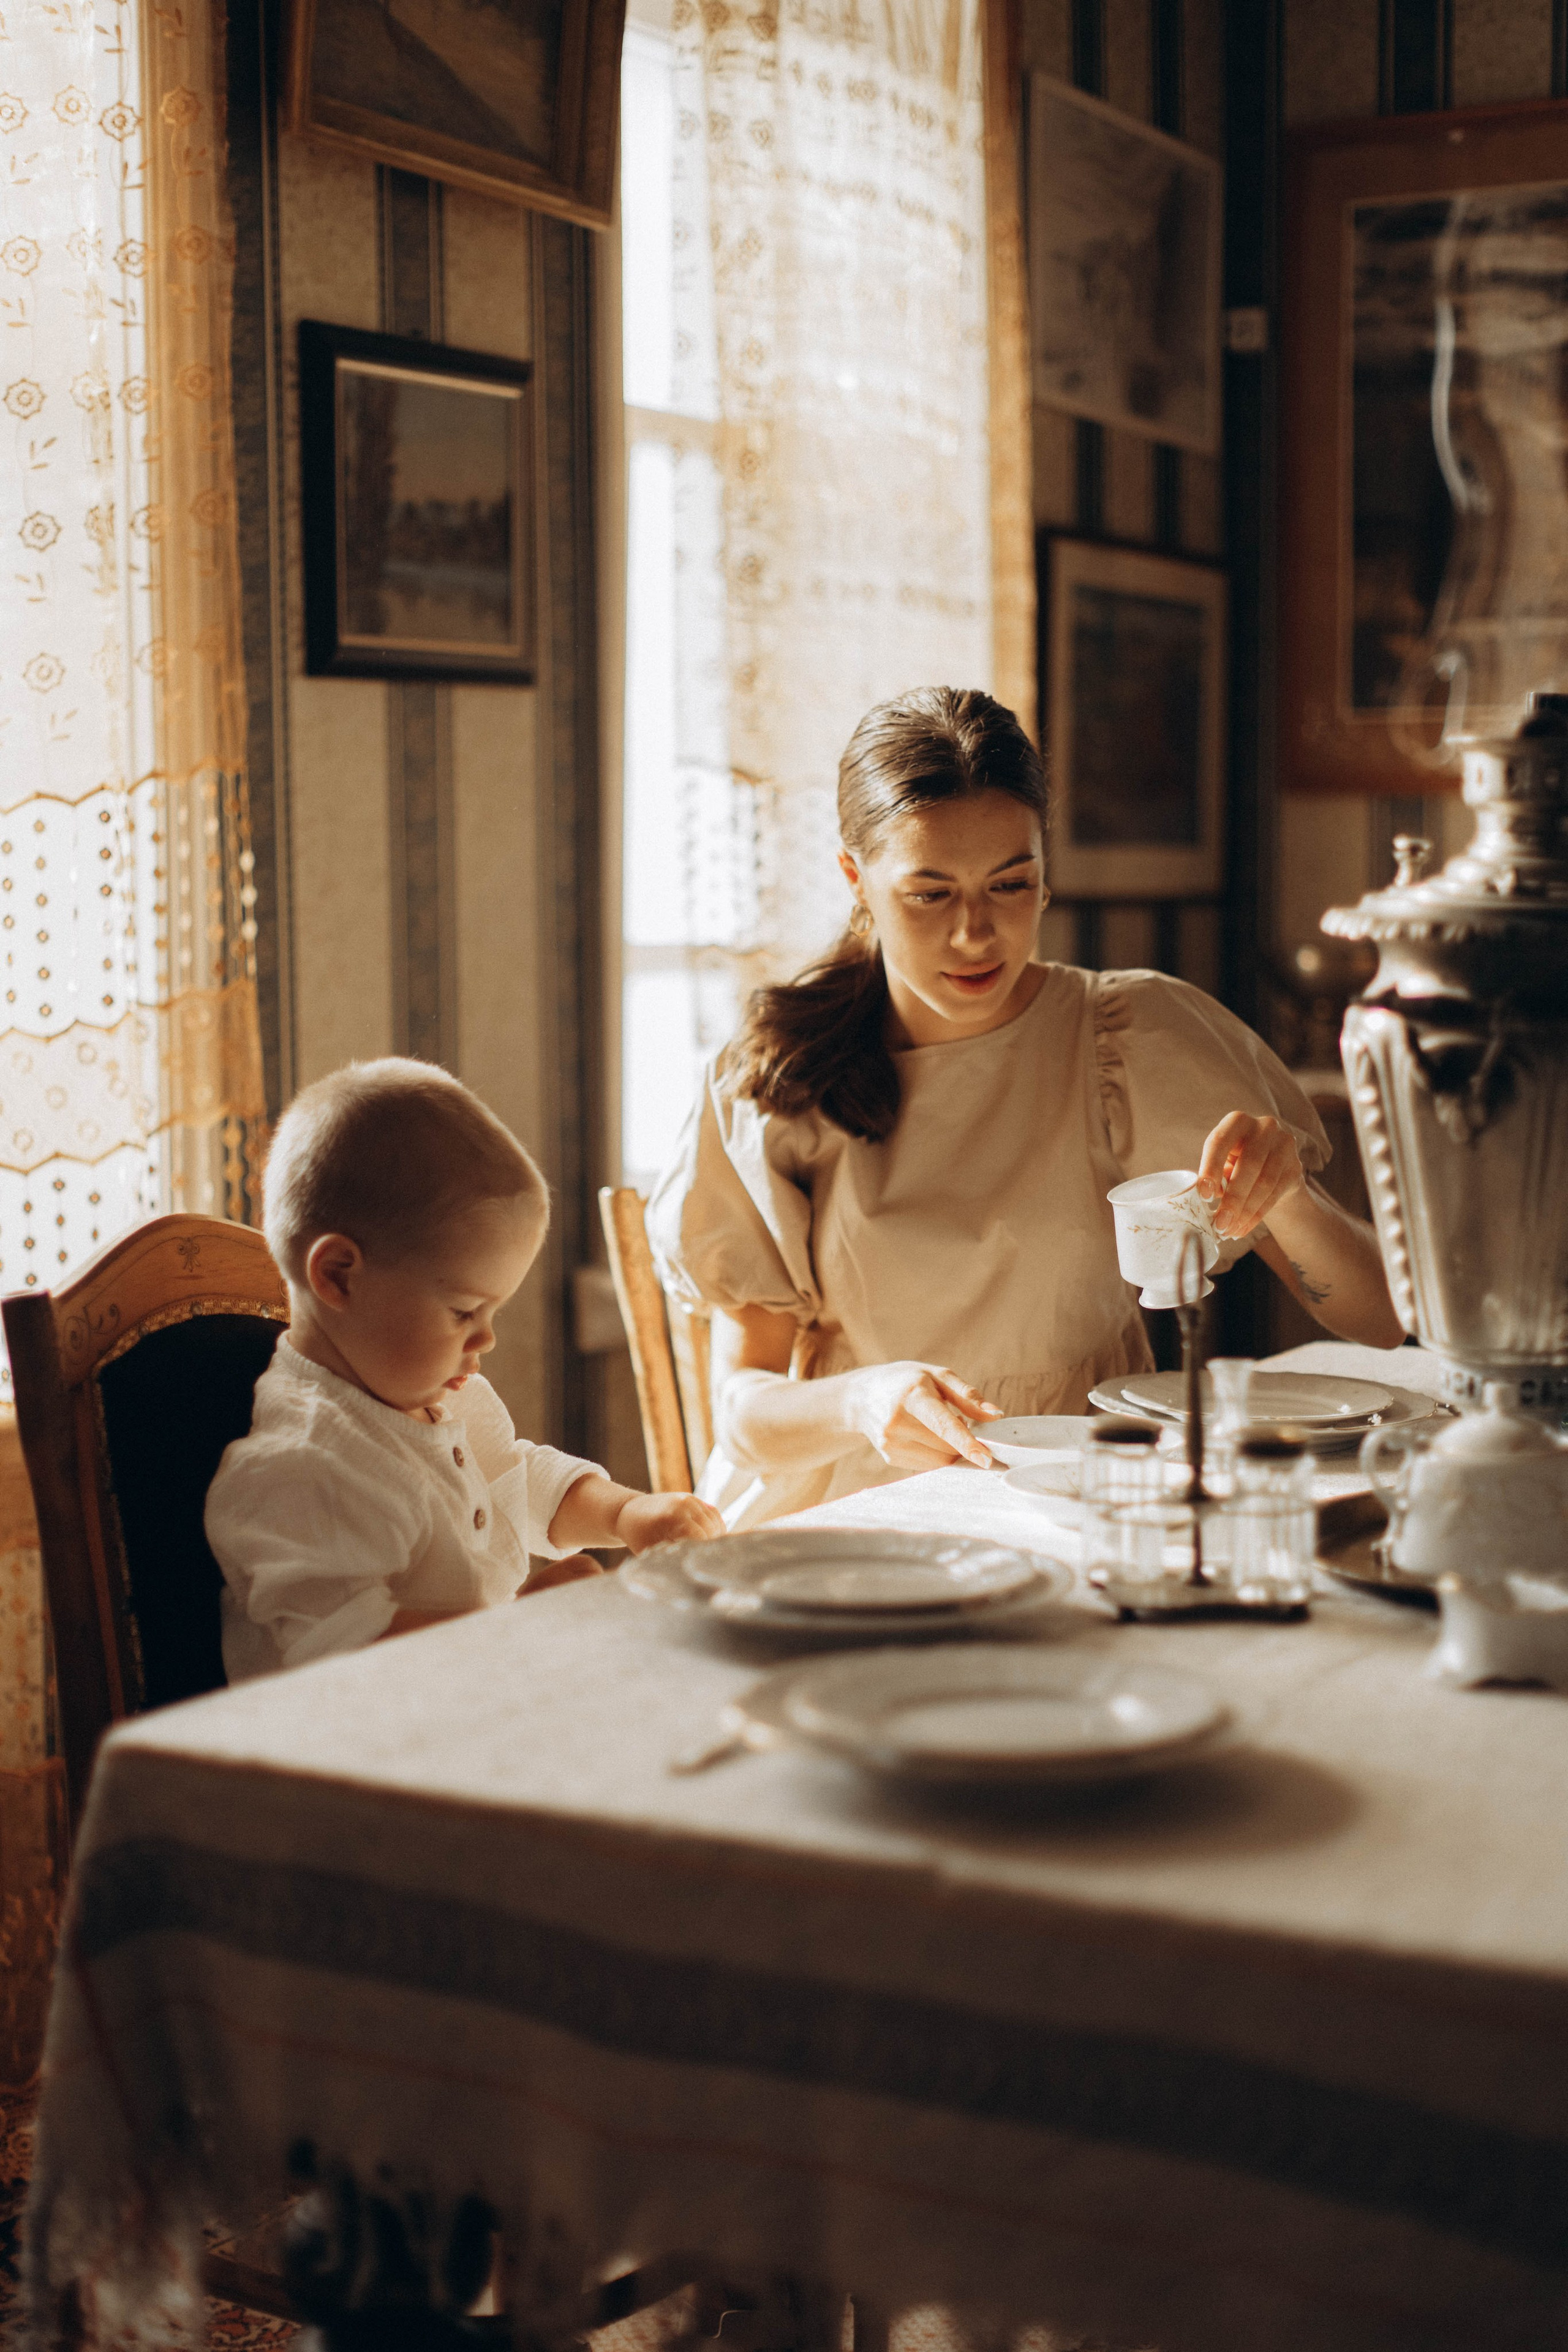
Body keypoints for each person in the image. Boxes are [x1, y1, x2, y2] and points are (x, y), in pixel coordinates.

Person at [649, 687, 1401, 1528]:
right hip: (850, 1507)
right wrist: (863, 1402)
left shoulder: (1129, 1038)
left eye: (1010, 884)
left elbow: (1377, 1321)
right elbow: (741, 1414)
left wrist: (1286, 1196)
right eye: (930, 894)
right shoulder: (783, 1072)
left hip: (1081, 1500)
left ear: (1047, 876)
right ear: (856, 879)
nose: (977, 933)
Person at [208, 1058, 722, 1680]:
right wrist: (523, 1626)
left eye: (493, 1310)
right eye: (463, 1311)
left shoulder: (444, 1394)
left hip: (472, 1701)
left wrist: (627, 1515)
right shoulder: (304, 1467)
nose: (487, 1337)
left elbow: (516, 1478)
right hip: (348, 1754)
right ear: (339, 1275)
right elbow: (349, 1661)